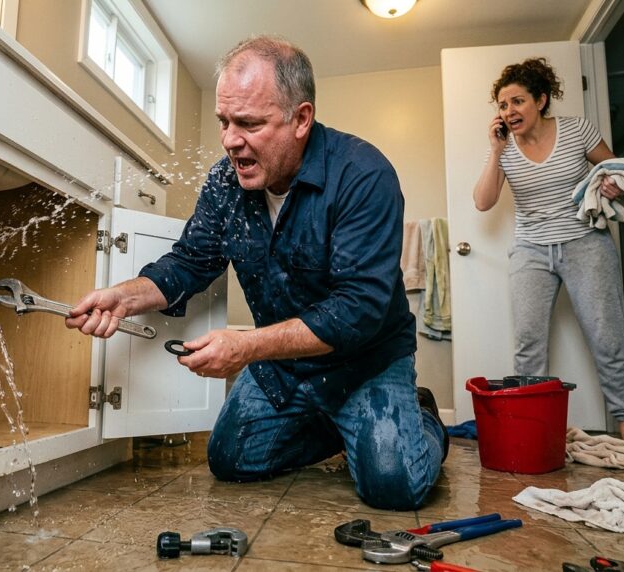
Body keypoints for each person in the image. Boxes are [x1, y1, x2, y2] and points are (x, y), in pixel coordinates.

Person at [66, 35, 447, 510]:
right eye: (224, 122)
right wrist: (124, 296)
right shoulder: (225, 181)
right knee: (230, 459)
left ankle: (421, 417)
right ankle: (349, 428)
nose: (229, 140)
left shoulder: (363, 174)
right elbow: (190, 261)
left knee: (392, 485)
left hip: (365, 362)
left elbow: (357, 311)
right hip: (285, 366)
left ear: (300, 119)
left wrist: (246, 346)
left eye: (249, 123)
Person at [472, 57, 624, 446]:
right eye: (502, 104)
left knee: (607, 334)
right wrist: (495, 151)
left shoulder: (576, 130)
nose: (509, 111)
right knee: (528, 342)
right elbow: (483, 202)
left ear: (541, 100)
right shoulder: (505, 149)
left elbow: (617, 169)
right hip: (531, 249)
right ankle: (532, 430)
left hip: (586, 243)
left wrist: (612, 183)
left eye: (517, 101)